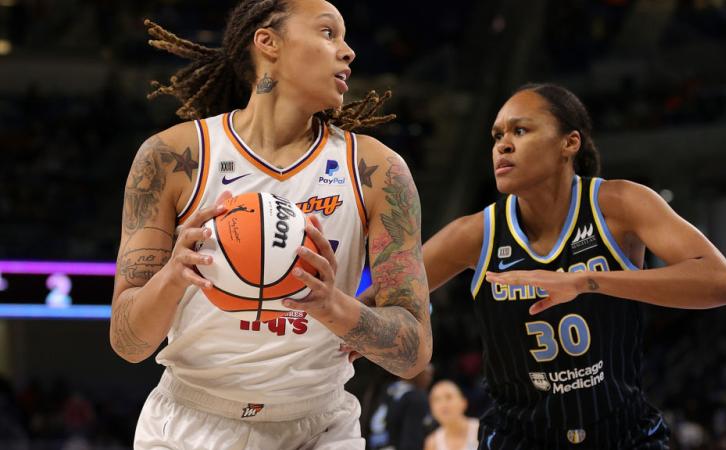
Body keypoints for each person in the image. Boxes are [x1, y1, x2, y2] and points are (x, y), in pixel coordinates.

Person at [109, 1, 431, 449]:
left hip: (318, 426)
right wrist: (172, 276)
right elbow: (128, 343)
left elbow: (413, 353)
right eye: (328, 33)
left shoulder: (377, 171)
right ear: (268, 42)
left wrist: (332, 306)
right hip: (191, 420)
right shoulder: (173, 157)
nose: (348, 51)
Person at [359, 83, 726, 449]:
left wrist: (585, 281)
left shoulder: (620, 205)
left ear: (569, 143)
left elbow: (721, 281)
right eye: (496, 136)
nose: (503, 144)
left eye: (520, 130)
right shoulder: (475, 234)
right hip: (519, 438)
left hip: (623, 433)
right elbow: (377, 300)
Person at [368, 364, 434, 450]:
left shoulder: (392, 389)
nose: (429, 378)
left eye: (430, 374)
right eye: (427, 374)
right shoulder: (415, 397)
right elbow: (411, 436)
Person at [424, 380, 479, 450]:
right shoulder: (432, 443)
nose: (443, 404)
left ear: (464, 402)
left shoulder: (481, 429)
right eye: (436, 400)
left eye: (449, 397)